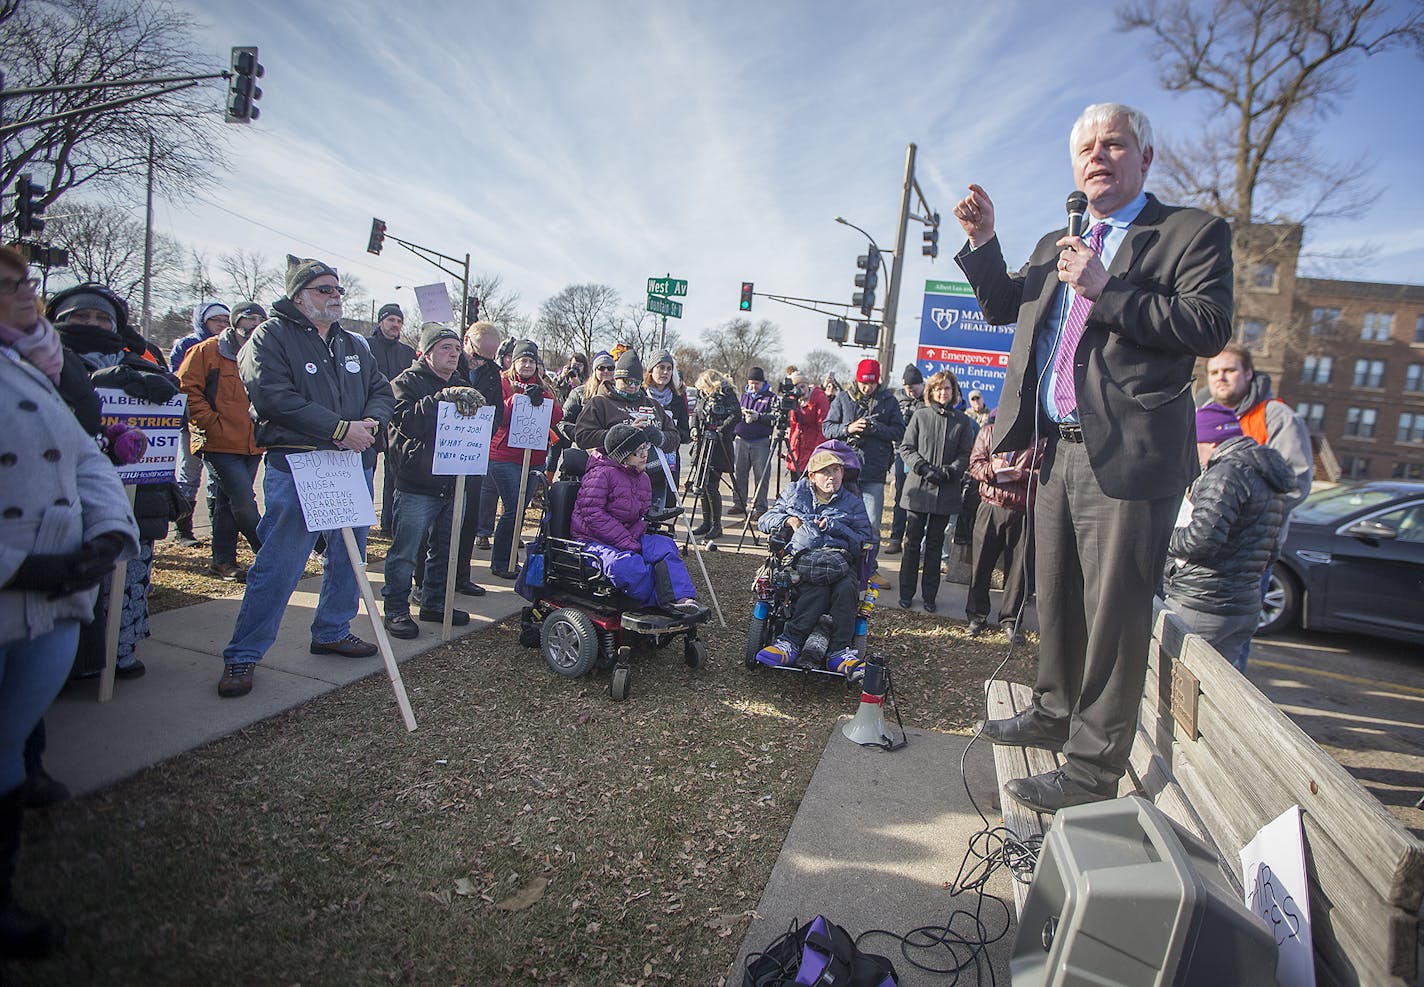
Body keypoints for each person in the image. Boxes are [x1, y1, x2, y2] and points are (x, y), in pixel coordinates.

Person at [954, 102, 1233, 814]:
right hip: (1054, 452)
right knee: (1057, 595)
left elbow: (1207, 325)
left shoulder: (1190, 233)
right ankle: (1051, 707)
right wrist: (985, 241)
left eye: (1114, 144)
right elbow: (1001, 307)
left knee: (1114, 614)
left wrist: (1108, 289)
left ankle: (1089, 767)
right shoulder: (1060, 239)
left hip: (1131, 458)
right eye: (1087, 147)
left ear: (1146, 157)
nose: (1098, 155)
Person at [2, 304, 140, 959]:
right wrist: (20, 564)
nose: (24, 294)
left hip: (54, 596)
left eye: (26, 281)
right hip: (19, 578)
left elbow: (86, 452)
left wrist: (113, 529)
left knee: (7, 749)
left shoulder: (38, 366)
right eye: (8, 283)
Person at [217, 256, 394, 699]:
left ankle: (332, 629)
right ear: (299, 296)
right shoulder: (269, 336)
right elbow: (273, 397)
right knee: (282, 560)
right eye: (324, 289)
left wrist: (369, 423)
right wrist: (338, 428)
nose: (335, 296)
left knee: (350, 554)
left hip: (349, 463)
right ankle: (243, 653)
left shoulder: (353, 343)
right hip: (298, 463)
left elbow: (379, 390)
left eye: (338, 290)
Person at [51, 282, 187, 681]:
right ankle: (64, 664)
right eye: (81, 316)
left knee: (126, 575)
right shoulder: (39, 359)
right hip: (61, 490)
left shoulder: (139, 362)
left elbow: (170, 419)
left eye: (101, 318)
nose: (91, 323)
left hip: (130, 491)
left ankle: (117, 652)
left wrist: (159, 390)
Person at [1164, 405, 1294, 670]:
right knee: (1216, 696)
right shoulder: (1269, 476)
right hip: (1244, 606)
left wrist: (1161, 536)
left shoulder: (1224, 474)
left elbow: (1199, 541)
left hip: (1201, 603)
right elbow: (1272, 551)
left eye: (1194, 442)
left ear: (1210, 440)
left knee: (1173, 688)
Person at [381, 325, 487, 639]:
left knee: (445, 549)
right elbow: (408, 423)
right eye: (445, 347)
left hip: (454, 480)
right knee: (405, 551)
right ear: (427, 353)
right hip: (416, 482)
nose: (454, 353)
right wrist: (441, 399)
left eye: (457, 348)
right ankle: (396, 609)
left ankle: (435, 602)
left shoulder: (461, 382)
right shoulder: (405, 383)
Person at [754, 449, 876, 678]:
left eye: (837, 470)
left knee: (846, 587)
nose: (832, 476)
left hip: (839, 558)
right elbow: (764, 519)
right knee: (815, 586)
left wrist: (836, 527)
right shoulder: (794, 492)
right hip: (804, 557)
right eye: (826, 472)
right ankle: (790, 643)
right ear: (812, 476)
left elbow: (865, 539)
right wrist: (787, 520)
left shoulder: (852, 502)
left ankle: (839, 651)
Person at [176, 300, 266, 582]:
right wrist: (210, 422)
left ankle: (222, 561)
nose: (251, 333)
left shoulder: (264, 353)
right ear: (235, 325)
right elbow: (186, 389)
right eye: (246, 327)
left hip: (253, 442)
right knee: (243, 501)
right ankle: (267, 552)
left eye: (257, 327)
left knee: (228, 502)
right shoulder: (205, 351)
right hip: (218, 443)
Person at [570, 424, 702, 616]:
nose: (644, 454)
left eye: (645, 447)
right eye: (637, 451)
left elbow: (641, 514)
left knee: (664, 545)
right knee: (625, 565)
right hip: (591, 539)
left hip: (628, 535)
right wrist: (626, 542)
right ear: (622, 456)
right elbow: (592, 514)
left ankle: (679, 598)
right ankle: (655, 601)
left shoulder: (642, 477)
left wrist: (636, 534)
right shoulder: (600, 474)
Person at [896, 370, 974, 612]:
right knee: (912, 543)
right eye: (939, 388)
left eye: (947, 388)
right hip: (919, 489)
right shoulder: (920, 416)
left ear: (954, 391)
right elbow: (906, 447)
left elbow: (966, 454)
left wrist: (950, 471)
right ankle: (906, 592)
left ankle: (930, 595)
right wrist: (922, 467)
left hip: (946, 490)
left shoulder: (962, 421)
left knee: (935, 544)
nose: (943, 392)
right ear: (931, 391)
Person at [487, 340, 563, 579]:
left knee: (520, 509)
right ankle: (501, 561)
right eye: (523, 360)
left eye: (532, 361)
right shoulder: (502, 382)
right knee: (513, 508)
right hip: (504, 456)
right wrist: (518, 399)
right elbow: (499, 415)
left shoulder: (542, 384)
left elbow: (556, 416)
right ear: (514, 361)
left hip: (534, 457)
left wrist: (542, 397)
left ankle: (509, 559)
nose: (528, 365)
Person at [965, 415, 1043, 640]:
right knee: (981, 565)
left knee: (1018, 571)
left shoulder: (1039, 439)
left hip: (1023, 511)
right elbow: (975, 465)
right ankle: (976, 616)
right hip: (990, 506)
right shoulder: (988, 432)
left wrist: (1023, 474)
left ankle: (1010, 621)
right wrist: (992, 469)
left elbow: (1046, 474)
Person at [575, 349, 678, 509]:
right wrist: (621, 434)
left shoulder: (652, 405)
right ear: (617, 378)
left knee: (649, 528)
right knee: (622, 527)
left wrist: (659, 437)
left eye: (637, 382)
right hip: (614, 482)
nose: (633, 386)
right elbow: (582, 436)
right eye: (628, 381)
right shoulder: (600, 403)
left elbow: (674, 437)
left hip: (652, 481)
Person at [821, 358, 905, 543]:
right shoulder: (843, 398)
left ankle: (868, 569)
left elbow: (900, 431)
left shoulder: (889, 401)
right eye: (863, 383)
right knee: (839, 521)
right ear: (857, 380)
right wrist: (848, 429)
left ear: (878, 381)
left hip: (875, 470)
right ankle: (842, 566)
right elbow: (827, 428)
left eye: (871, 383)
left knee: (872, 526)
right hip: (845, 470)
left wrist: (876, 429)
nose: (867, 387)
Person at [168, 301, 230, 546]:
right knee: (189, 474)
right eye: (217, 321)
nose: (222, 325)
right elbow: (181, 382)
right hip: (192, 423)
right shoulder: (187, 345)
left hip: (225, 427)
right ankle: (183, 530)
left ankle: (219, 532)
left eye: (226, 321)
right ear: (203, 322)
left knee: (218, 481)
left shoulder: (231, 347)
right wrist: (205, 416)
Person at [451, 321, 505, 589]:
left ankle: (462, 576)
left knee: (469, 518)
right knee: (440, 521)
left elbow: (497, 414)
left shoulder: (493, 373)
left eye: (489, 358)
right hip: (446, 452)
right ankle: (426, 582)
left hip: (473, 453)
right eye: (477, 356)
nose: (481, 363)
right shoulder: (450, 363)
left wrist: (481, 428)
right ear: (466, 341)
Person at [367, 303, 416, 535]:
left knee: (394, 473)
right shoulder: (366, 346)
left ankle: (389, 524)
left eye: (399, 321)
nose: (395, 325)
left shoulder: (407, 353)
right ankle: (362, 525)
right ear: (380, 322)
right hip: (370, 417)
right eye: (391, 320)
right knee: (366, 470)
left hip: (397, 420)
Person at [689, 369, 738, 540]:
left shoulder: (727, 394)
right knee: (701, 484)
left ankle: (717, 525)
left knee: (711, 486)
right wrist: (694, 428)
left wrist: (720, 430)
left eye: (705, 387)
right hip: (702, 442)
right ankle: (706, 522)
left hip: (719, 446)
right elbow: (696, 412)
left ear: (711, 384)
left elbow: (735, 415)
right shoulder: (702, 395)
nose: (703, 391)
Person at [885, 365, 926, 555]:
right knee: (901, 496)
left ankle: (917, 544)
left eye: (914, 387)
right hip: (902, 452)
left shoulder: (928, 400)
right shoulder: (897, 400)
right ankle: (895, 538)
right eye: (908, 387)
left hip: (925, 454)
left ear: (922, 384)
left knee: (922, 499)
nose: (911, 390)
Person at [644, 349, 691, 507]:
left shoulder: (677, 398)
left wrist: (670, 433)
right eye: (661, 367)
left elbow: (686, 433)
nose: (665, 372)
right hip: (643, 458)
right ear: (651, 370)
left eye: (669, 368)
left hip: (669, 458)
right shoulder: (642, 395)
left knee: (666, 503)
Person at [730, 367, 776, 519]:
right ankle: (739, 503)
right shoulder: (744, 396)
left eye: (756, 383)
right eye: (751, 383)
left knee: (761, 476)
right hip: (742, 439)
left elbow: (774, 417)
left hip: (760, 441)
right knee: (740, 473)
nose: (754, 386)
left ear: (762, 383)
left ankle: (760, 507)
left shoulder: (770, 397)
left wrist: (759, 417)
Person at [785, 371, 828, 481]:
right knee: (794, 485)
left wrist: (818, 451)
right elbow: (793, 425)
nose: (801, 391)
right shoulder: (795, 400)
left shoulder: (818, 397)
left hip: (811, 446)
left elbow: (822, 426)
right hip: (797, 448)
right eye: (797, 388)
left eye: (803, 386)